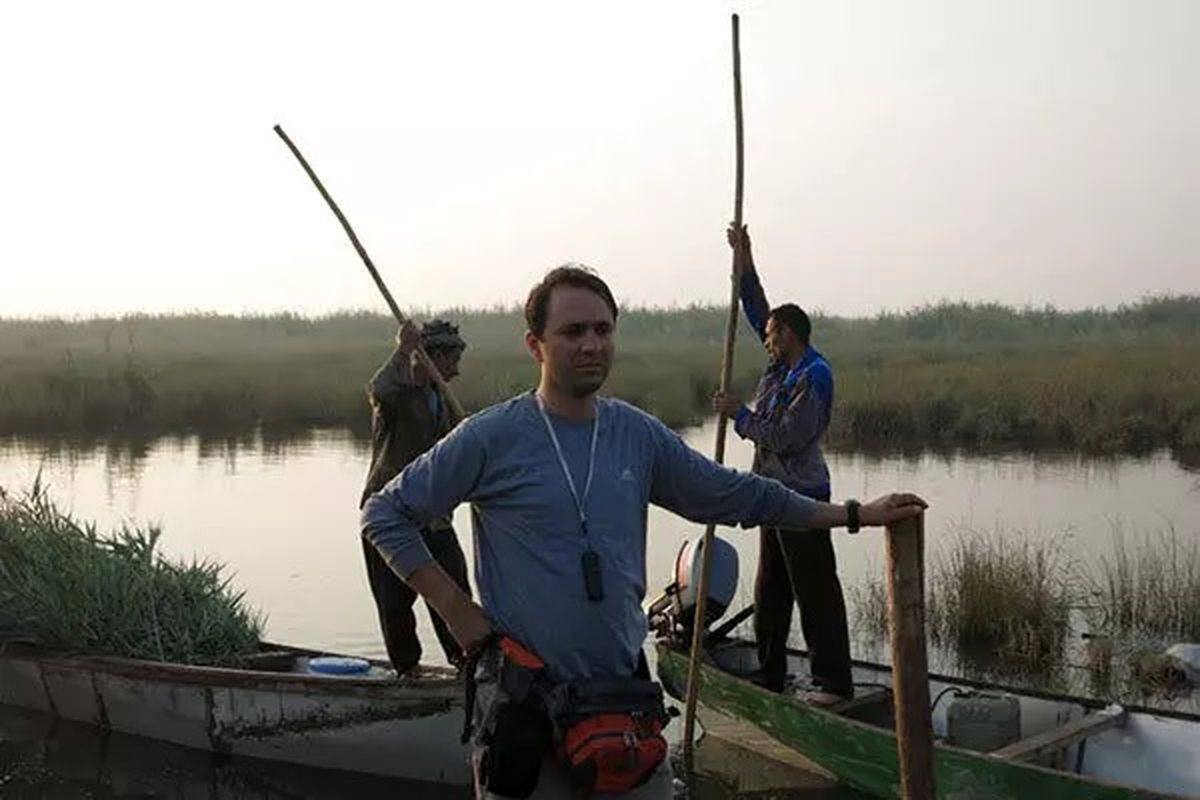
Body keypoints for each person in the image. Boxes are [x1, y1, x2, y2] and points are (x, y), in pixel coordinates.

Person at [361, 265, 927, 798]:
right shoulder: (491, 437)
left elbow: (739, 493)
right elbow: (385, 514)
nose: (591, 344)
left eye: (603, 329)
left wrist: (854, 514)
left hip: (622, 708)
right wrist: (462, 616)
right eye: (573, 331)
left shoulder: (636, 435)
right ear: (536, 345)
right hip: (524, 714)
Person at [711, 223, 852, 704]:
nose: (765, 340)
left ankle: (834, 682)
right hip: (772, 497)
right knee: (770, 589)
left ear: (788, 335)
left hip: (804, 499)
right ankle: (770, 674)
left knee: (816, 592)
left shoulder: (814, 375)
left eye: (772, 336)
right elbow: (755, 307)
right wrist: (744, 257)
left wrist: (741, 416)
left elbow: (789, 439)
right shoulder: (781, 366)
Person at [359, 318, 471, 673]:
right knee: (394, 601)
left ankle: (467, 664)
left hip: (434, 517)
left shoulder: (445, 402)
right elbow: (379, 388)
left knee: (455, 593)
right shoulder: (399, 396)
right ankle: (407, 671)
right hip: (390, 513)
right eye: (451, 359)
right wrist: (403, 349)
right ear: (431, 357)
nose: (456, 369)